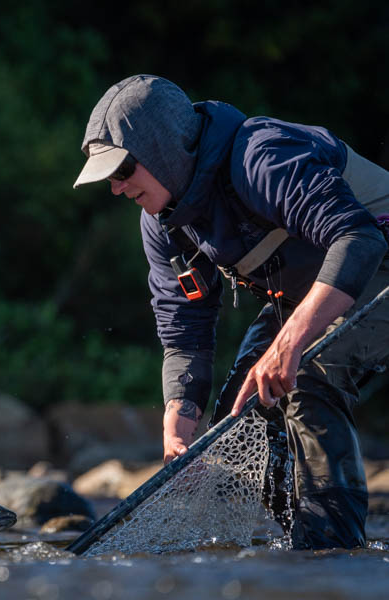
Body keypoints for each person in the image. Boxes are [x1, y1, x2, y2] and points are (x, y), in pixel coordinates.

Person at [73, 74, 389, 550]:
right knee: (236, 426)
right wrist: (179, 417)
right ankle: (309, 537)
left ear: (163, 151)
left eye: (122, 171)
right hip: (315, 295)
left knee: (306, 378)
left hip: (377, 262)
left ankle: (333, 555)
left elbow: (358, 239)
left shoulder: (261, 156)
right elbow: (184, 335)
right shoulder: (162, 225)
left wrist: (290, 343)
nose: (116, 188)